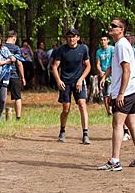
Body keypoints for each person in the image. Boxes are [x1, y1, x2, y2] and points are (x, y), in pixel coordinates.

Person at [97, 18, 135, 171]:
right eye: (111, 25)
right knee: (131, 125)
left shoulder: (122, 45)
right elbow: (115, 66)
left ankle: (115, 161)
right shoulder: (117, 45)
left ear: (121, 30)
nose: (110, 27)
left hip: (125, 92)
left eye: (114, 26)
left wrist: (120, 93)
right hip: (130, 90)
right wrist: (105, 76)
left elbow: (126, 70)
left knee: (117, 124)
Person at [52, 28, 91, 144]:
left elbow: (88, 66)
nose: (71, 39)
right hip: (65, 82)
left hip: (79, 82)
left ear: (78, 38)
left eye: (73, 36)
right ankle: (62, 131)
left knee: (82, 105)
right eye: (69, 37)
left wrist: (81, 79)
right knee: (66, 108)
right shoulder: (61, 50)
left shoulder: (83, 49)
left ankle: (85, 134)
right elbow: (54, 67)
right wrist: (58, 81)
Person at [4, 31, 26, 121]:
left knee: (1, 96)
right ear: (14, 38)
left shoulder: (2, 47)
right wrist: (23, 77)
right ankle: (18, 117)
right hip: (14, 75)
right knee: (17, 97)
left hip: (2, 75)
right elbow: (19, 63)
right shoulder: (16, 48)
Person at [96, 34, 114, 116]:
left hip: (112, 73)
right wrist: (100, 72)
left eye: (104, 40)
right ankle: (108, 112)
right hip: (103, 74)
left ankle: (113, 108)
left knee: (111, 92)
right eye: (101, 40)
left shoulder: (112, 49)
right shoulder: (99, 52)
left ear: (108, 41)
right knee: (105, 93)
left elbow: (114, 61)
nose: (103, 41)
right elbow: (98, 64)